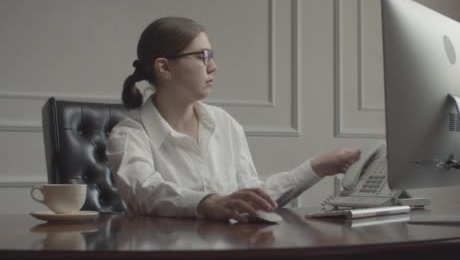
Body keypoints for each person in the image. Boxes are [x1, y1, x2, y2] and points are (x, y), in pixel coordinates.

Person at [107, 17, 361, 223]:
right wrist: (209, 203)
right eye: (202, 56)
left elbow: (251, 196)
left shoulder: (224, 123)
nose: (214, 66)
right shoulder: (129, 135)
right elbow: (146, 192)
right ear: (164, 67)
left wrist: (317, 168)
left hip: (229, 257)